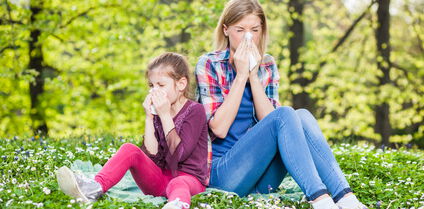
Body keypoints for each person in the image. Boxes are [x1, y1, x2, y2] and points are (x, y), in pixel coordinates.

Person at [195, 0, 367, 208]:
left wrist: (253, 75)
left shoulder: (267, 64)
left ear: (262, 31)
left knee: (301, 115)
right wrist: (241, 76)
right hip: (224, 176)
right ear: (226, 30)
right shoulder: (209, 64)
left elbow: (276, 124)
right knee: (286, 113)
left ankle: (346, 197)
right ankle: (321, 200)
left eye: (254, 30)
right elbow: (218, 128)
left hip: (261, 177)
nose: (248, 37)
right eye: (240, 30)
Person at [57, 52, 210, 209]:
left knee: (178, 183)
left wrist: (164, 115)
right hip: (160, 181)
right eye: (151, 86)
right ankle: (94, 188)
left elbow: (179, 155)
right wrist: (149, 118)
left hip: (189, 181)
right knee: (129, 149)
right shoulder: (158, 113)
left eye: (161, 85)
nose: (154, 91)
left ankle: (177, 204)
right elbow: (152, 156)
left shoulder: (194, 111)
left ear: (181, 84)